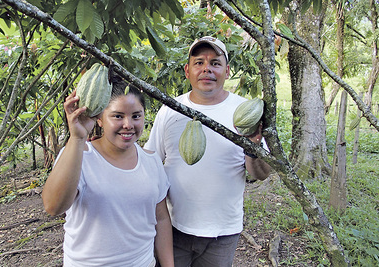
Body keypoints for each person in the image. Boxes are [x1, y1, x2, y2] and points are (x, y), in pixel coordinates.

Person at [144, 36, 272, 267]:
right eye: (199, 62)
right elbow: (149, 162)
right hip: (172, 227)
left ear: (227, 70)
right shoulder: (170, 110)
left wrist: (253, 147)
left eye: (215, 63)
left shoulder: (245, 112)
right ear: (187, 70)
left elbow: (261, 174)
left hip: (223, 232)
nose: (207, 69)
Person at [42, 83, 174, 267]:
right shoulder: (79, 156)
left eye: (136, 116)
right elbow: (53, 207)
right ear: (100, 118)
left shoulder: (151, 161)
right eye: (117, 116)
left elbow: (161, 218)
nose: (128, 125)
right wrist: (77, 138)